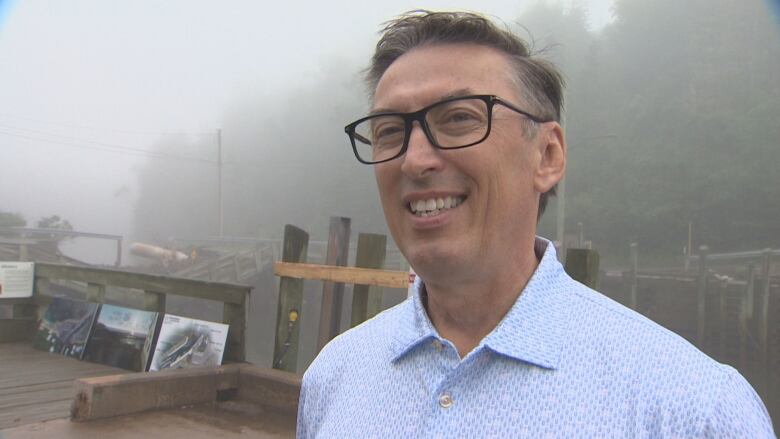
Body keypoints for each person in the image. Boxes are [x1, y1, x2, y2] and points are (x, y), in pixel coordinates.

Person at [296, 10, 775, 438]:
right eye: (389, 132)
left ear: (547, 155)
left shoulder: (692, 409)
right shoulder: (334, 377)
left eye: (459, 118)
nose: (414, 160)